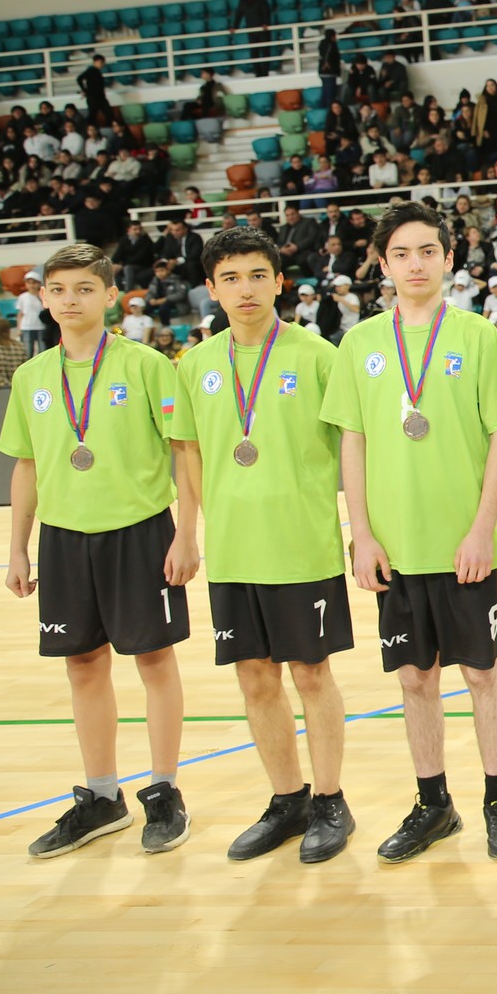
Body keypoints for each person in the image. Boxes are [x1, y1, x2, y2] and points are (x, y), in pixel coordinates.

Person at [321, 201, 497, 863]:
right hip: (396, 547)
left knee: (482, 674)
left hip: (464, 544)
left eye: (428, 251)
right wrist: (362, 532)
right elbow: (350, 442)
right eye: (402, 253)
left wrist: (481, 528)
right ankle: (433, 803)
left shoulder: (477, 336)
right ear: (383, 264)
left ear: (448, 258)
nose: (416, 263)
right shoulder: (358, 344)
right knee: (415, 679)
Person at [0, 243, 198, 857]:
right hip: (63, 539)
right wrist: (18, 548)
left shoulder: (146, 365)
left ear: (110, 295)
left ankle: (164, 790)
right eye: (57, 290)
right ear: (43, 297)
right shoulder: (32, 377)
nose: (69, 300)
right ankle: (103, 796)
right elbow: (27, 466)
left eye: (84, 288)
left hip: (139, 531)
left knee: (154, 661)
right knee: (82, 664)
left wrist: (186, 532)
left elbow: (185, 450)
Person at [169, 227, 355, 863]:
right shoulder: (194, 365)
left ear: (280, 281)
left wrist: (364, 532)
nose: (244, 289)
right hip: (234, 551)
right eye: (230, 278)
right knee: (254, 679)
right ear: (211, 288)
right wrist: (187, 533)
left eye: (256, 275)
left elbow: (354, 452)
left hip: (303, 546)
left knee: (311, 674)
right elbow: (189, 455)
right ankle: (288, 800)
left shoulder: (318, 356)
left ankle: (331, 802)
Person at [17, 268, 46, 356]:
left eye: (34, 283)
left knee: (43, 349)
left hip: (41, 326)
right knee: (28, 350)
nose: (31, 285)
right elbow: (20, 313)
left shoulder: (43, 295)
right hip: (27, 326)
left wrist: (38, 296)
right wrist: (19, 328)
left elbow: (46, 308)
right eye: (29, 283)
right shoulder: (23, 297)